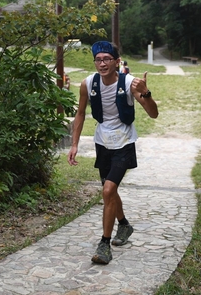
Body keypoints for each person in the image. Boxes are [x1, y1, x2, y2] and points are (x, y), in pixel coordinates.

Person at [67, 41, 159, 265]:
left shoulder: (129, 83)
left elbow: (153, 114)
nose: (102, 64)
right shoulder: (88, 84)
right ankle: (124, 225)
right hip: (102, 142)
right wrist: (74, 144)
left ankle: (104, 245)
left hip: (124, 142)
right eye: (98, 60)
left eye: (107, 59)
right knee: (110, 191)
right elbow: (80, 114)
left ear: (117, 62)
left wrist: (146, 92)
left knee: (108, 190)